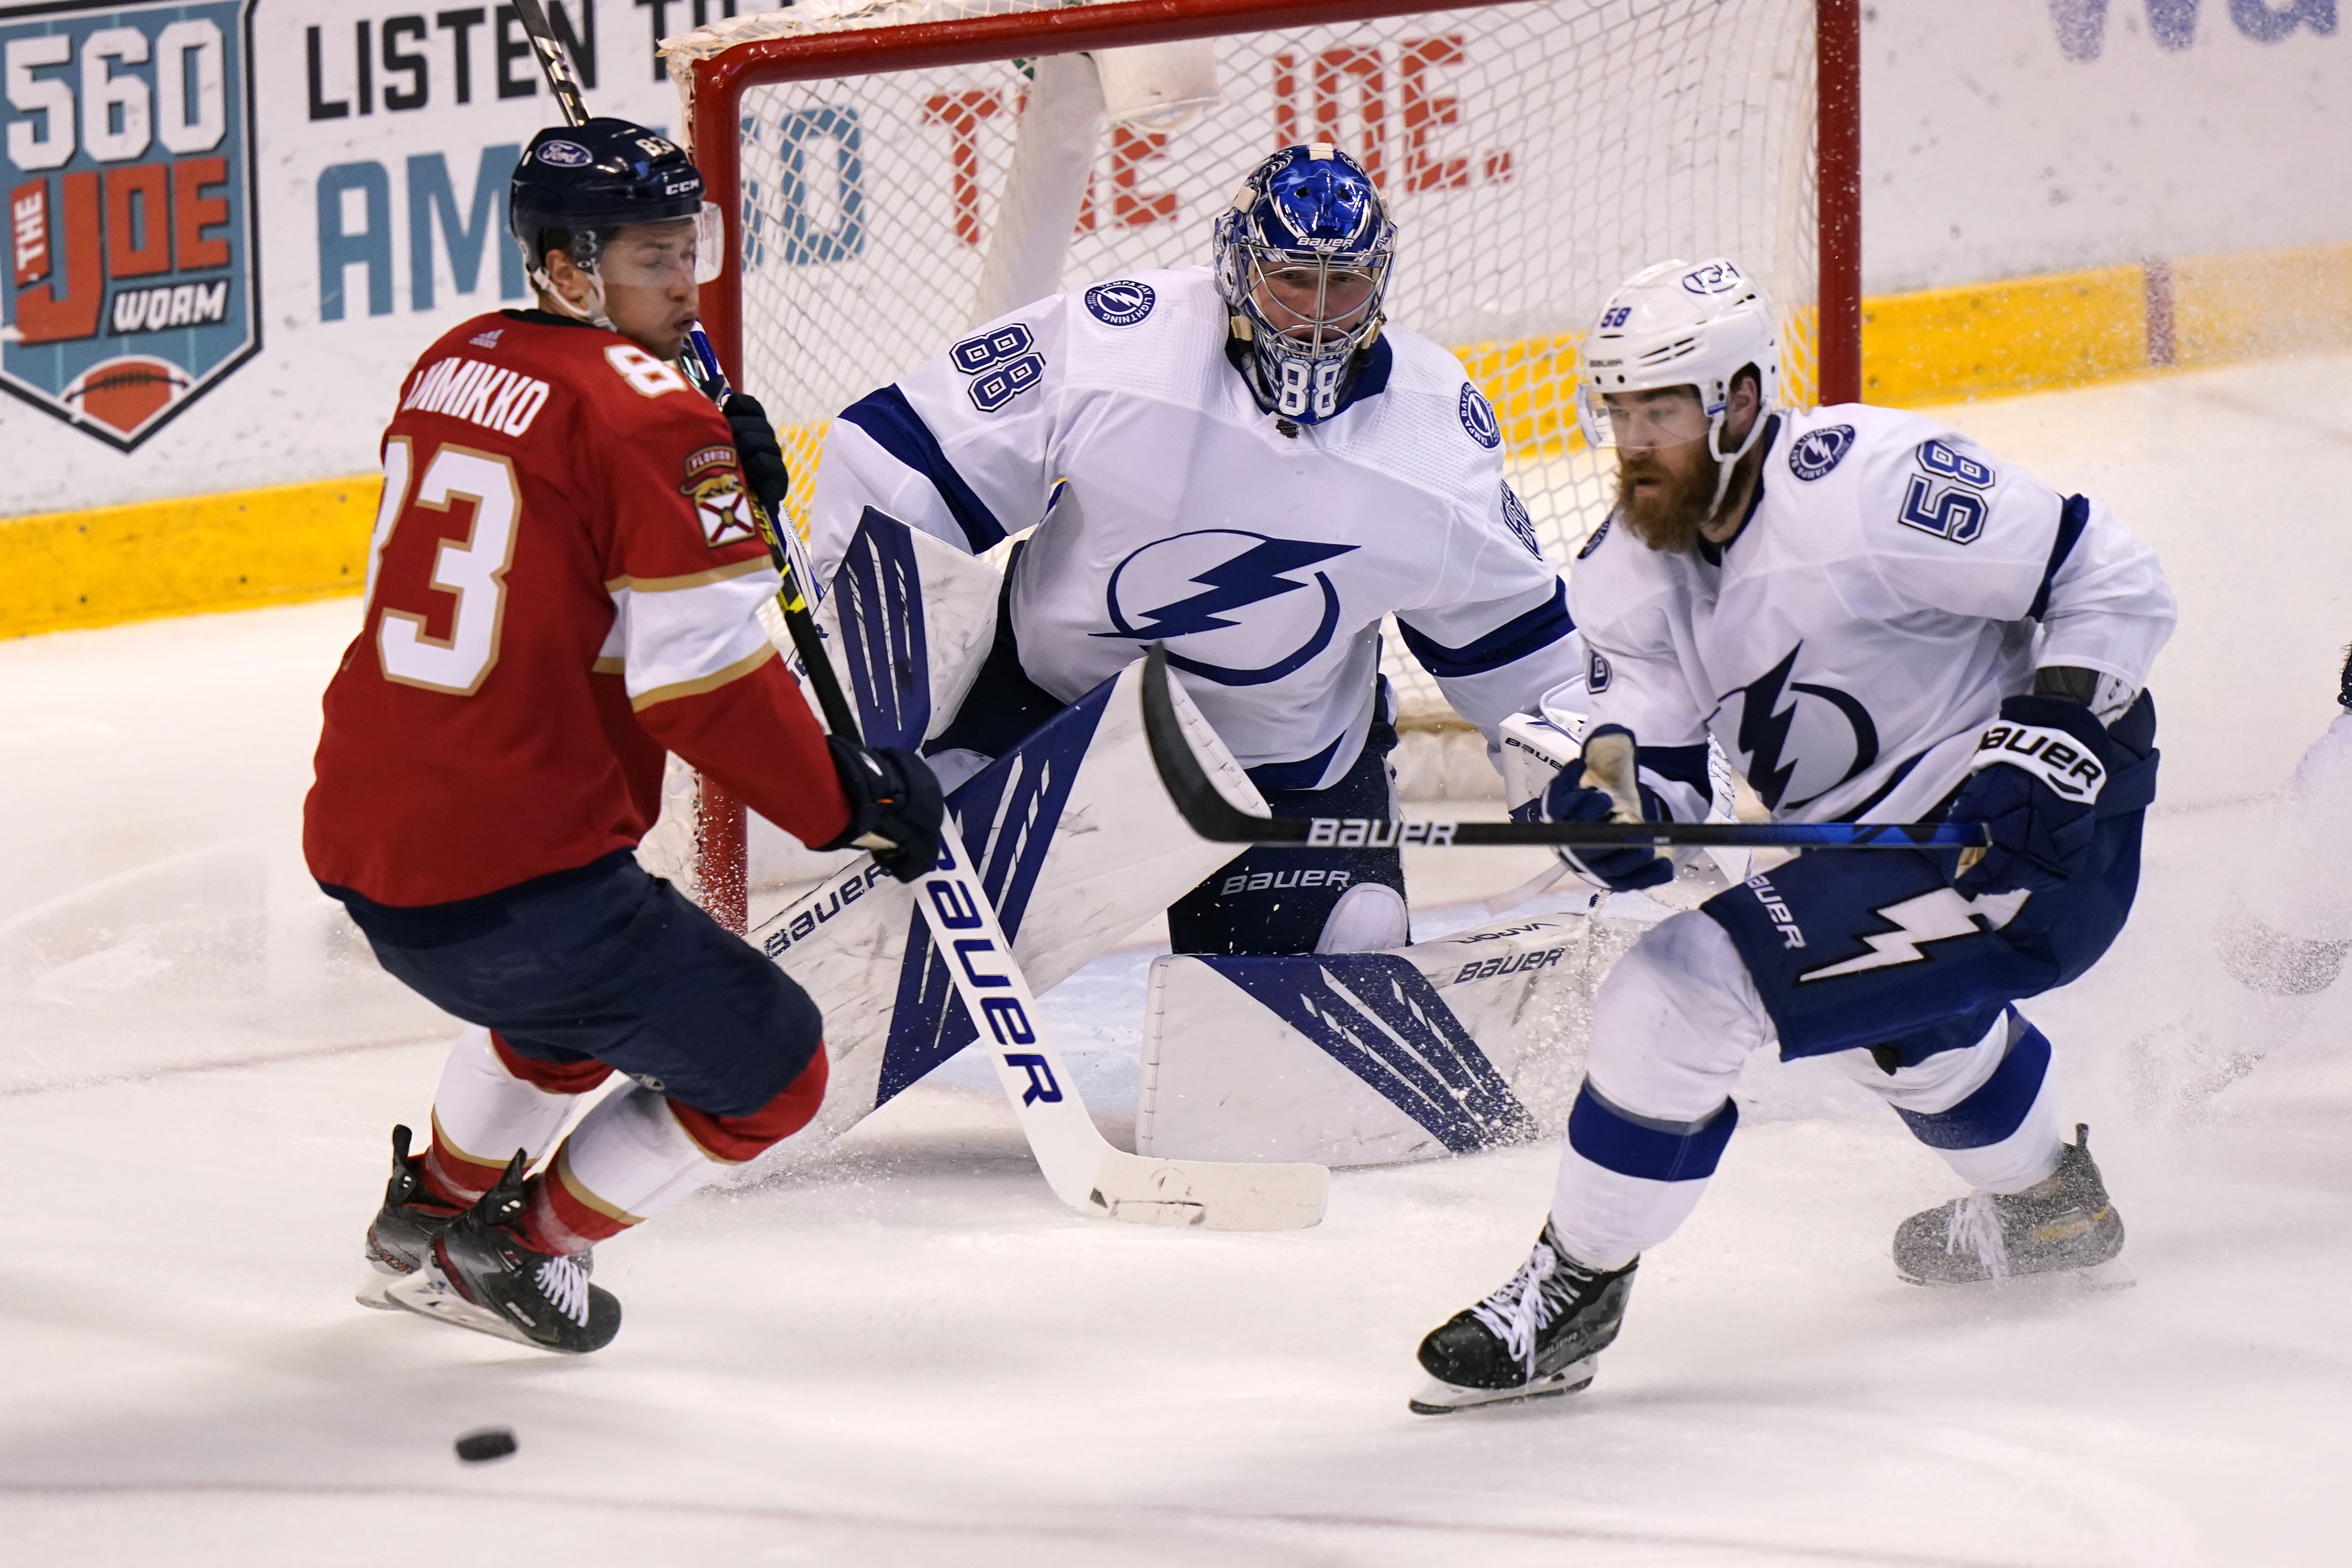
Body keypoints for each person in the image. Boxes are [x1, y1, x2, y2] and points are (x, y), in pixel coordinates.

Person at [1409, 257, 2177, 1414]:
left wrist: (2051, 740)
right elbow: (1653, 762)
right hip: (1878, 848)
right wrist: (1608, 807)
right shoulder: (1627, 566)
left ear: (1741, 399)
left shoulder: (1872, 486)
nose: (1631, 441)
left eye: (1658, 410)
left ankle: (1572, 1290)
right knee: (1896, 1017)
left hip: (2031, 835)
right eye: (1615, 411)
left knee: (1676, 993)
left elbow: (2110, 576)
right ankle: (2047, 1207)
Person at [304, 118, 943, 1354]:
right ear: (565, 266)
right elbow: (697, 685)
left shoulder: (453, 358)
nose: (684, 281)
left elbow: (568, 532)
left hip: (372, 842)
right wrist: (845, 802)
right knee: (775, 1072)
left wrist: (712, 497)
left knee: (553, 1023)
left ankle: (423, 1219)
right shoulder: (653, 416)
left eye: (686, 248)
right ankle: (527, 1242)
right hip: (519, 875)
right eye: (652, 257)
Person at [807, 143, 1585, 957]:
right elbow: (901, 457)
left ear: (1378, 283)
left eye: (1342, 283)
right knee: (906, 907)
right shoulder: (1121, 344)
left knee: (1352, 940)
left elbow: (1524, 647)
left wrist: (1581, 776)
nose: (1318, 314)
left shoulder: (1433, 445)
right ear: (1238, 269)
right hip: (1052, 707)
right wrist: (872, 683)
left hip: (1281, 763)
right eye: (1291, 279)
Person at [2131, 646, 2352, 1107]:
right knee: (2254, 1010)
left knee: (2254, 1011)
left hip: (2332, 801)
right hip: (2336, 809)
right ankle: (2151, 1085)